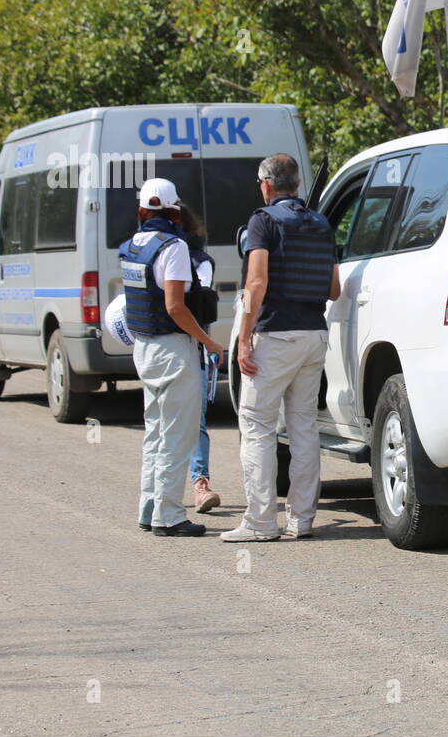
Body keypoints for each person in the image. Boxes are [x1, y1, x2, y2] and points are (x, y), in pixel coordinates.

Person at [222, 153, 338, 542]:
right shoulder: (322, 224)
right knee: (304, 426)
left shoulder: (263, 221)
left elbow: (256, 284)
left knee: (257, 425)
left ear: (267, 184)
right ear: (298, 185)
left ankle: (260, 522)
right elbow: (334, 289)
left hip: (275, 336)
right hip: (314, 336)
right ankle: (301, 520)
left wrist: (243, 340)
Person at [119, 178, 226, 536]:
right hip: (173, 349)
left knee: (155, 433)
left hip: (145, 348)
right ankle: (169, 516)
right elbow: (175, 307)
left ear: (141, 211)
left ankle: (149, 509)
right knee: (177, 436)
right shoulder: (174, 247)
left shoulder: (132, 246)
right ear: (174, 210)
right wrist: (209, 344)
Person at [179, 204, 223, 513]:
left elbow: (197, 303)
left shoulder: (200, 264)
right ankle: (157, 494)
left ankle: (199, 484)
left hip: (193, 348)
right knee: (162, 422)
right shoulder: (149, 254)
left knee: (197, 420)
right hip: (161, 348)